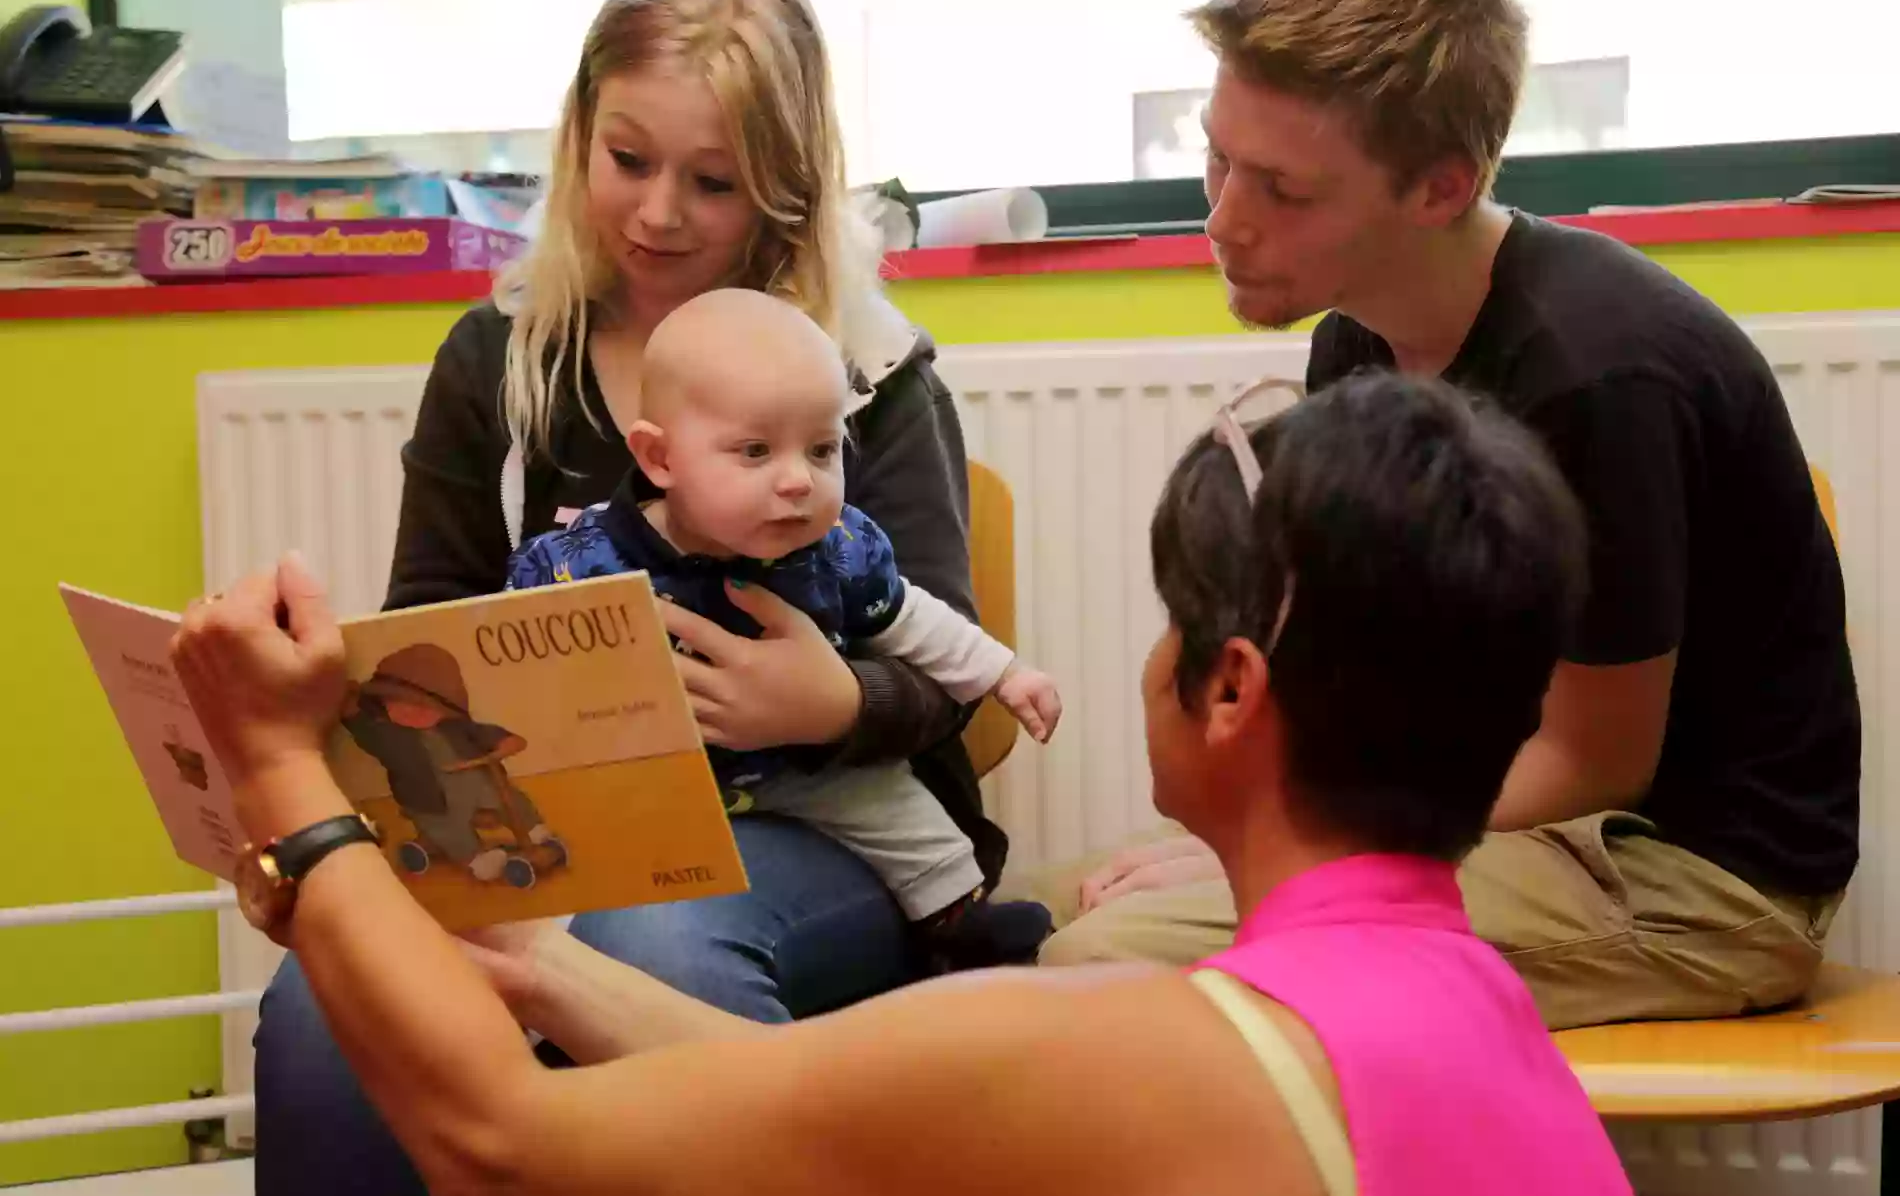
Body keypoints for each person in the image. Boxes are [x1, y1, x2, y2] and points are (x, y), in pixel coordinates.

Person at [171, 372, 1633, 1196]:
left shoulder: (1138, 1051)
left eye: (1173, 616)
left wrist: (285, 770)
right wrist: (539, 966)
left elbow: (503, 1143)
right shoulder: (1479, 1015)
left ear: (1232, 689)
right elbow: (786, 1095)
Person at [248, 0, 1016, 1194]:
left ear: (784, 187)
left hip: (815, 822)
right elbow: (427, 627)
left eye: (711, 182)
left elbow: (951, 679)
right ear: (577, 142)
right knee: (333, 997)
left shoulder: (865, 369)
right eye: (628, 161)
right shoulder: (502, 359)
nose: (658, 213)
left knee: (655, 950)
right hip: (540, 829)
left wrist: (831, 706)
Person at [1026, 0, 1861, 1032]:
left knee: (1104, 962)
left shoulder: (1597, 375)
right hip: (1486, 819)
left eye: (1279, 187)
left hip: (1693, 877)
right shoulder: (1355, 348)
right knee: (1039, 912)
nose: (1222, 219)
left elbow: (1591, 757)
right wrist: (1234, 840)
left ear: (1439, 187)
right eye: (1217, 159)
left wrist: (1279, 862)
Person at [506, 287, 1062, 968]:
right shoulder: (581, 562)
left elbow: (910, 617)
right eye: (755, 451)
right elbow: (511, 659)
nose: (799, 480)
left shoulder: (839, 546)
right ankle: (541, 992)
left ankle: (957, 924)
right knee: (559, 865)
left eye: (823, 450)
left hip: (807, 767)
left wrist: (1006, 672)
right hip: (649, 790)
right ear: (659, 460)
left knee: (903, 812)